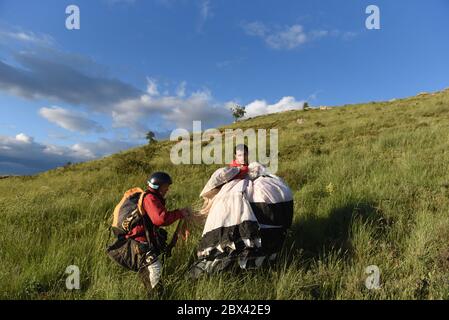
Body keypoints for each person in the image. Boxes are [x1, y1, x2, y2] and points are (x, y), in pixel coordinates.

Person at [125, 172, 190, 296]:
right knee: (154, 269)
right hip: (139, 242)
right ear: (157, 186)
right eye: (166, 186)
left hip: (141, 241)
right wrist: (179, 213)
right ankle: (156, 295)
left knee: (149, 271)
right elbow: (160, 219)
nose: (167, 189)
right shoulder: (150, 198)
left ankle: (153, 294)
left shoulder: (152, 197)